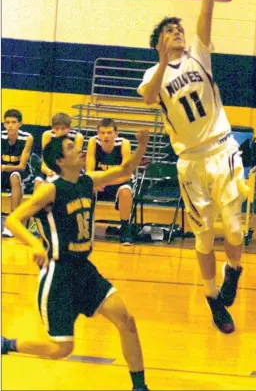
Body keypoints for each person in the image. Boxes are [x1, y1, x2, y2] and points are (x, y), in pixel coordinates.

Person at [137, 0, 247, 334]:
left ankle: (233, 270)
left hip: (222, 147)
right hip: (191, 162)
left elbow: (207, 8)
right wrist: (164, 61)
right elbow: (149, 98)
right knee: (203, 237)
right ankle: (213, 298)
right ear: (158, 44)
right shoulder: (154, 73)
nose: (178, 33)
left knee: (234, 229)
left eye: (178, 29)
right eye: (169, 31)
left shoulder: (200, 51)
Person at [1, 130, 150, 391]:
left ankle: (140, 387)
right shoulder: (51, 189)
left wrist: (142, 145)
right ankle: (7, 345)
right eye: (72, 148)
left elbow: (126, 169)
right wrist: (36, 244)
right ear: (60, 160)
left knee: (126, 320)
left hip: (85, 272)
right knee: (62, 349)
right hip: (59, 276)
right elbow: (13, 219)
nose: (79, 150)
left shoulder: (88, 181)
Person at [86, 118, 135, 245]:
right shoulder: (93, 142)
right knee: (85, 187)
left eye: (109, 132)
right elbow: (89, 171)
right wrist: (95, 183)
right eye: (102, 133)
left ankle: (125, 229)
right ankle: (85, 227)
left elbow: (126, 174)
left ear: (116, 134)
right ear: (98, 134)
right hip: (100, 182)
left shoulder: (124, 144)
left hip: (118, 181)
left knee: (125, 191)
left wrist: (105, 182)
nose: (105, 136)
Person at [1, 109, 34, 237]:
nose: (10, 125)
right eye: (7, 122)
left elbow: (21, 166)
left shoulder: (27, 138)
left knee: (15, 176)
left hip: (22, 172)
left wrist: (3, 167)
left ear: (20, 124)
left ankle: (11, 223)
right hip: (4, 170)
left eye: (13, 122)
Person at [34, 112, 84, 191]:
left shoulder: (77, 137)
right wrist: (48, 171)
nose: (60, 132)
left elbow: (75, 164)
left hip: (71, 170)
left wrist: (61, 175)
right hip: (52, 168)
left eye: (63, 128)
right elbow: (44, 162)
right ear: (52, 128)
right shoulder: (47, 135)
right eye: (57, 128)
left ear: (69, 128)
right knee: (38, 183)